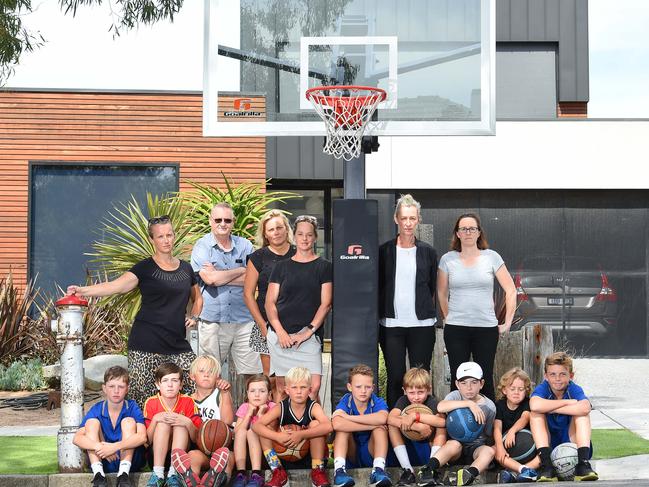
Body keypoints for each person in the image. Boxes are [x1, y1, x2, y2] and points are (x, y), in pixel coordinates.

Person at [67, 215, 203, 407]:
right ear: (152, 240)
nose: (166, 240)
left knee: (190, 388)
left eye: (169, 235)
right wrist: (82, 290)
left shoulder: (186, 269)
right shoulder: (145, 268)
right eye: (160, 236)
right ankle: (142, 437)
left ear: (174, 236)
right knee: (143, 400)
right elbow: (115, 286)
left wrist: (194, 316)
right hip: (145, 343)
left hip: (177, 343)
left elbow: (197, 298)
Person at [437, 212, 516, 400]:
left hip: (486, 328)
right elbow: (441, 292)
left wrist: (507, 323)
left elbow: (511, 290)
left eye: (472, 228)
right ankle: (456, 425)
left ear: (479, 233)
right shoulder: (448, 259)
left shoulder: (491, 257)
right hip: (456, 329)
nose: (468, 232)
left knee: (485, 376)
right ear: (457, 234)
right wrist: (450, 317)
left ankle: (489, 426)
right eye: (463, 229)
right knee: (459, 376)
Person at [379, 194, 438, 408]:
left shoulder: (428, 252)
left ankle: (422, 424)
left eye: (412, 218)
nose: (408, 223)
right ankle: (395, 425)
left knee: (420, 378)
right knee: (395, 377)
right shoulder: (384, 251)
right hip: (391, 325)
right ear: (396, 219)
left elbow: (431, 287)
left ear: (418, 220)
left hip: (421, 325)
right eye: (404, 218)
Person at [191, 202, 262, 380]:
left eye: (227, 220)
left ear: (234, 222)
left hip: (244, 319)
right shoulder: (202, 246)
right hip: (212, 319)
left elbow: (254, 279)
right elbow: (210, 279)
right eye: (218, 219)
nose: (223, 223)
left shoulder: (245, 245)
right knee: (209, 375)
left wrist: (220, 274)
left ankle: (249, 408)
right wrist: (241, 270)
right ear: (210, 221)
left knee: (252, 375)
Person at [265, 215, 332, 401]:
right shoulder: (281, 267)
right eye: (300, 234)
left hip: (308, 337)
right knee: (282, 389)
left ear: (315, 237)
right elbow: (269, 302)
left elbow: (326, 304)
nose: (304, 238)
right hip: (281, 336)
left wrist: (307, 333)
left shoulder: (325, 267)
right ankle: (282, 430)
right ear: (294, 236)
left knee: (313, 388)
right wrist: (280, 332)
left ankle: (313, 430)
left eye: (309, 235)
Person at [418, 362, 496, 487]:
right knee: (453, 444)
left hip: (476, 449)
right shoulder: (455, 396)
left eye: (474, 382)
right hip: (456, 449)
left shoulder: (489, 406)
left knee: (489, 451)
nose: (469, 387)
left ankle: (468, 475)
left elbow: (488, 434)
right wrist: (469, 404)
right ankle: (428, 470)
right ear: (457, 384)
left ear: (481, 384)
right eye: (464, 383)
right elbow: (441, 406)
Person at [243, 209, 296, 396]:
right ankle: (271, 423)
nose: (276, 232)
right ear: (265, 233)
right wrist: (262, 326)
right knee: (272, 379)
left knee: (296, 379)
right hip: (266, 324)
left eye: (280, 227)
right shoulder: (258, 257)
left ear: (287, 229)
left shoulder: (299, 253)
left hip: (295, 325)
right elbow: (248, 294)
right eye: (271, 229)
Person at [252, 366, 333, 487]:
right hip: (283, 457)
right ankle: (277, 471)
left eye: (303, 387)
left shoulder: (313, 406)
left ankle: (318, 472)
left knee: (316, 424)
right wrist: (277, 436)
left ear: (310, 390)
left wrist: (300, 434)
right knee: (267, 427)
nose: (299, 391)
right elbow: (256, 426)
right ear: (287, 390)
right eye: (294, 387)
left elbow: (328, 427)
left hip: (310, 458)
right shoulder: (281, 407)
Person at [529, 352, 598, 482]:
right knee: (535, 414)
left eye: (563, 374)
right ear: (546, 376)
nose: (557, 378)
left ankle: (583, 464)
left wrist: (551, 408)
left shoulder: (573, 389)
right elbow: (534, 405)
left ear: (571, 376)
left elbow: (585, 407)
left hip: (573, 442)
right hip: (550, 444)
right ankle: (547, 466)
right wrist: (567, 403)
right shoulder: (543, 388)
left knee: (582, 415)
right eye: (553, 374)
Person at [73, 366, 147, 487]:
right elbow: (77, 438)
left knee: (128, 421)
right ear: (104, 388)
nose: (116, 391)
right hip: (103, 459)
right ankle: (99, 476)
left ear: (127, 389)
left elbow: (142, 437)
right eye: (112, 386)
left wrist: (114, 447)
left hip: (130, 461)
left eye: (121, 387)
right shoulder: (97, 409)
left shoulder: (132, 407)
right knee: (91, 422)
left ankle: (123, 476)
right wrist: (100, 447)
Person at [171, 354, 233, 487]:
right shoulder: (186, 400)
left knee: (228, 458)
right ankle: (193, 481)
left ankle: (218, 479)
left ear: (217, 377)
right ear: (192, 376)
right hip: (199, 447)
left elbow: (227, 421)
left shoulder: (220, 394)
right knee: (192, 456)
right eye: (202, 371)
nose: (206, 375)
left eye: (211, 372)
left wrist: (225, 393)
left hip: (221, 447)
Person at [143, 362, 203, 487]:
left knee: (180, 424)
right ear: (157, 385)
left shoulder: (188, 401)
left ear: (181, 385)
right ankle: (157, 474)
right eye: (165, 381)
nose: (170, 385)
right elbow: (146, 441)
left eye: (174, 380)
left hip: (181, 458)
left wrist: (187, 422)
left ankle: (174, 474)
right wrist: (155, 420)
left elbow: (196, 439)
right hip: (157, 457)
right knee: (163, 423)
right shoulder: (151, 402)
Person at [332, 364, 392, 487]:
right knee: (342, 431)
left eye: (367, 387)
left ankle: (378, 470)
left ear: (373, 388)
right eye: (358, 387)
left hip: (371, 451)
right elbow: (337, 424)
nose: (363, 391)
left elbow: (382, 418)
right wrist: (371, 425)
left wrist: (349, 418)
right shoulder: (346, 401)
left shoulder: (377, 401)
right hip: (351, 452)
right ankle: (339, 472)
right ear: (350, 387)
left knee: (380, 430)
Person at [387, 367, 446, 487]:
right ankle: (408, 471)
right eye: (411, 393)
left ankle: (431, 469)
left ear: (428, 390)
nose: (416, 397)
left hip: (429, 448)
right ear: (404, 391)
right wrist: (418, 427)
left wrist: (415, 416)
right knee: (392, 426)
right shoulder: (403, 401)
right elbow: (390, 418)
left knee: (441, 426)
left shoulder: (432, 401)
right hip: (408, 448)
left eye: (420, 392)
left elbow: (442, 423)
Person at [492, 367, 540, 483]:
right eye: (512, 389)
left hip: (528, 445)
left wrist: (512, 431)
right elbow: (497, 427)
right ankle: (523, 470)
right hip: (509, 448)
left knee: (542, 455)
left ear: (526, 390)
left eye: (521, 389)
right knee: (495, 451)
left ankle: (516, 474)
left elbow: (524, 418)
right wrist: (499, 446)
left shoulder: (528, 403)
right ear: (504, 390)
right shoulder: (499, 405)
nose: (516, 392)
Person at [232, 374, 276, 487]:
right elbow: (236, 432)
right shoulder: (245, 407)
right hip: (245, 455)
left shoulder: (273, 407)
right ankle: (240, 474)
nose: (257, 395)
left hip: (268, 454)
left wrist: (261, 414)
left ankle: (257, 474)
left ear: (269, 395)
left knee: (253, 431)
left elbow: (271, 430)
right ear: (247, 394)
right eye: (252, 391)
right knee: (242, 431)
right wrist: (248, 414)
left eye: (262, 391)